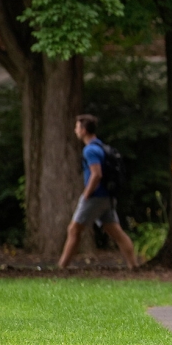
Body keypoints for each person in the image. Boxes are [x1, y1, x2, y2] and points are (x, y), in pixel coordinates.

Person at [58, 114, 139, 270]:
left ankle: (62, 267)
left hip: (95, 197)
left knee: (74, 230)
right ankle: (133, 266)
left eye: (77, 127)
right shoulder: (101, 146)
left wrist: (87, 194)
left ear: (83, 130)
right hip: (107, 198)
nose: (75, 130)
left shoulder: (90, 150)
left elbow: (96, 174)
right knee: (116, 232)